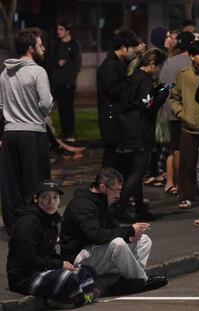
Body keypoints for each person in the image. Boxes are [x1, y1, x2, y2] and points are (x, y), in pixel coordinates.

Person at [60, 167, 168, 295]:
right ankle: (141, 281)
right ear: (102, 187)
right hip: (78, 259)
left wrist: (129, 235)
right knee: (118, 244)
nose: (117, 195)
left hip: (96, 252)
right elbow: (96, 236)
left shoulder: (101, 201)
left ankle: (128, 281)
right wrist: (128, 231)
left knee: (144, 240)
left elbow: (113, 228)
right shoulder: (83, 205)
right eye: (115, 190)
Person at [7, 180, 99, 308]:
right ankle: (79, 298)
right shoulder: (28, 222)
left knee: (87, 271)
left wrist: (65, 263)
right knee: (69, 278)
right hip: (25, 276)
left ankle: (73, 298)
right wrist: (59, 264)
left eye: (55, 197)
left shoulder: (50, 220)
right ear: (36, 198)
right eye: (45, 197)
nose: (51, 202)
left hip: (43, 269)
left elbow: (48, 253)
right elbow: (27, 259)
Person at [0, 28, 53, 235]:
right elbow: (46, 103)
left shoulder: (5, 73)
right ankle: (35, 228)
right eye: (40, 45)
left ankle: (15, 228)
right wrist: (38, 111)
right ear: (31, 48)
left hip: (10, 133)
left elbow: (1, 106)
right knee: (37, 184)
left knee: (11, 186)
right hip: (33, 133)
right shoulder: (38, 72)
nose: (44, 49)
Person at [116, 48, 169, 223]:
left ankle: (139, 208)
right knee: (138, 172)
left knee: (134, 172)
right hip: (140, 130)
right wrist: (162, 94)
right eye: (159, 66)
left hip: (127, 129)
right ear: (152, 64)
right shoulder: (144, 79)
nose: (159, 71)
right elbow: (148, 104)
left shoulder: (131, 77)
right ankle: (121, 208)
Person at [170, 40, 199, 209]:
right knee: (187, 163)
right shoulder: (184, 74)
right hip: (189, 126)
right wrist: (182, 114)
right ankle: (185, 195)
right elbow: (174, 98)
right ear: (192, 56)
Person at [97, 29, 140, 168]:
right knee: (111, 156)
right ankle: (104, 185)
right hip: (111, 118)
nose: (135, 52)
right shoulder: (110, 65)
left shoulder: (119, 63)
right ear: (123, 48)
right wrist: (130, 81)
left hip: (116, 117)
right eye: (133, 48)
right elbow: (113, 90)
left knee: (117, 157)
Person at [159, 32, 195, 196]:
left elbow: (163, 85)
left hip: (171, 110)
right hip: (188, 112)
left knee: (174, 149)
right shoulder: (192, 63)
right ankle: (185, 184)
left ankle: (172, 182)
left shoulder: (169, 62)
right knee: (187, 150)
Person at [52, 22, 81, 142]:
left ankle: (70, 133)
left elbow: (77, 64)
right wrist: (57, 63)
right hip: (58, 81)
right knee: (61, 108)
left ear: (68, 31)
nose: (58, 31)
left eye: (61, 29)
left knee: (69, 108)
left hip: (69, 82)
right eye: (57, 29)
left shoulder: (74, 44)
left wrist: (72, 79)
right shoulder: (56, 44)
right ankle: (64, 132)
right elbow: (52, 60)